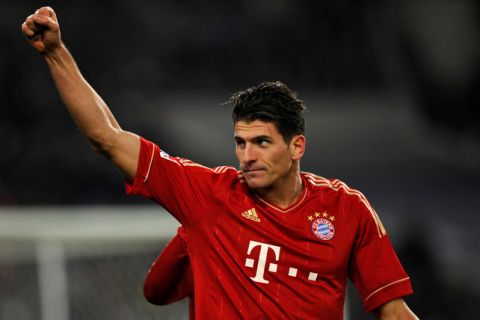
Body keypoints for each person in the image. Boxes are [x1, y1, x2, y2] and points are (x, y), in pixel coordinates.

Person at [21, 7, 419, 319]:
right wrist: (56, 54)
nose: (248, 156)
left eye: (262, 142)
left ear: (297, 146)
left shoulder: (347, 210)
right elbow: (108, 138)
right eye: (240, 143)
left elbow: (393, 311)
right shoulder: (210, 194)